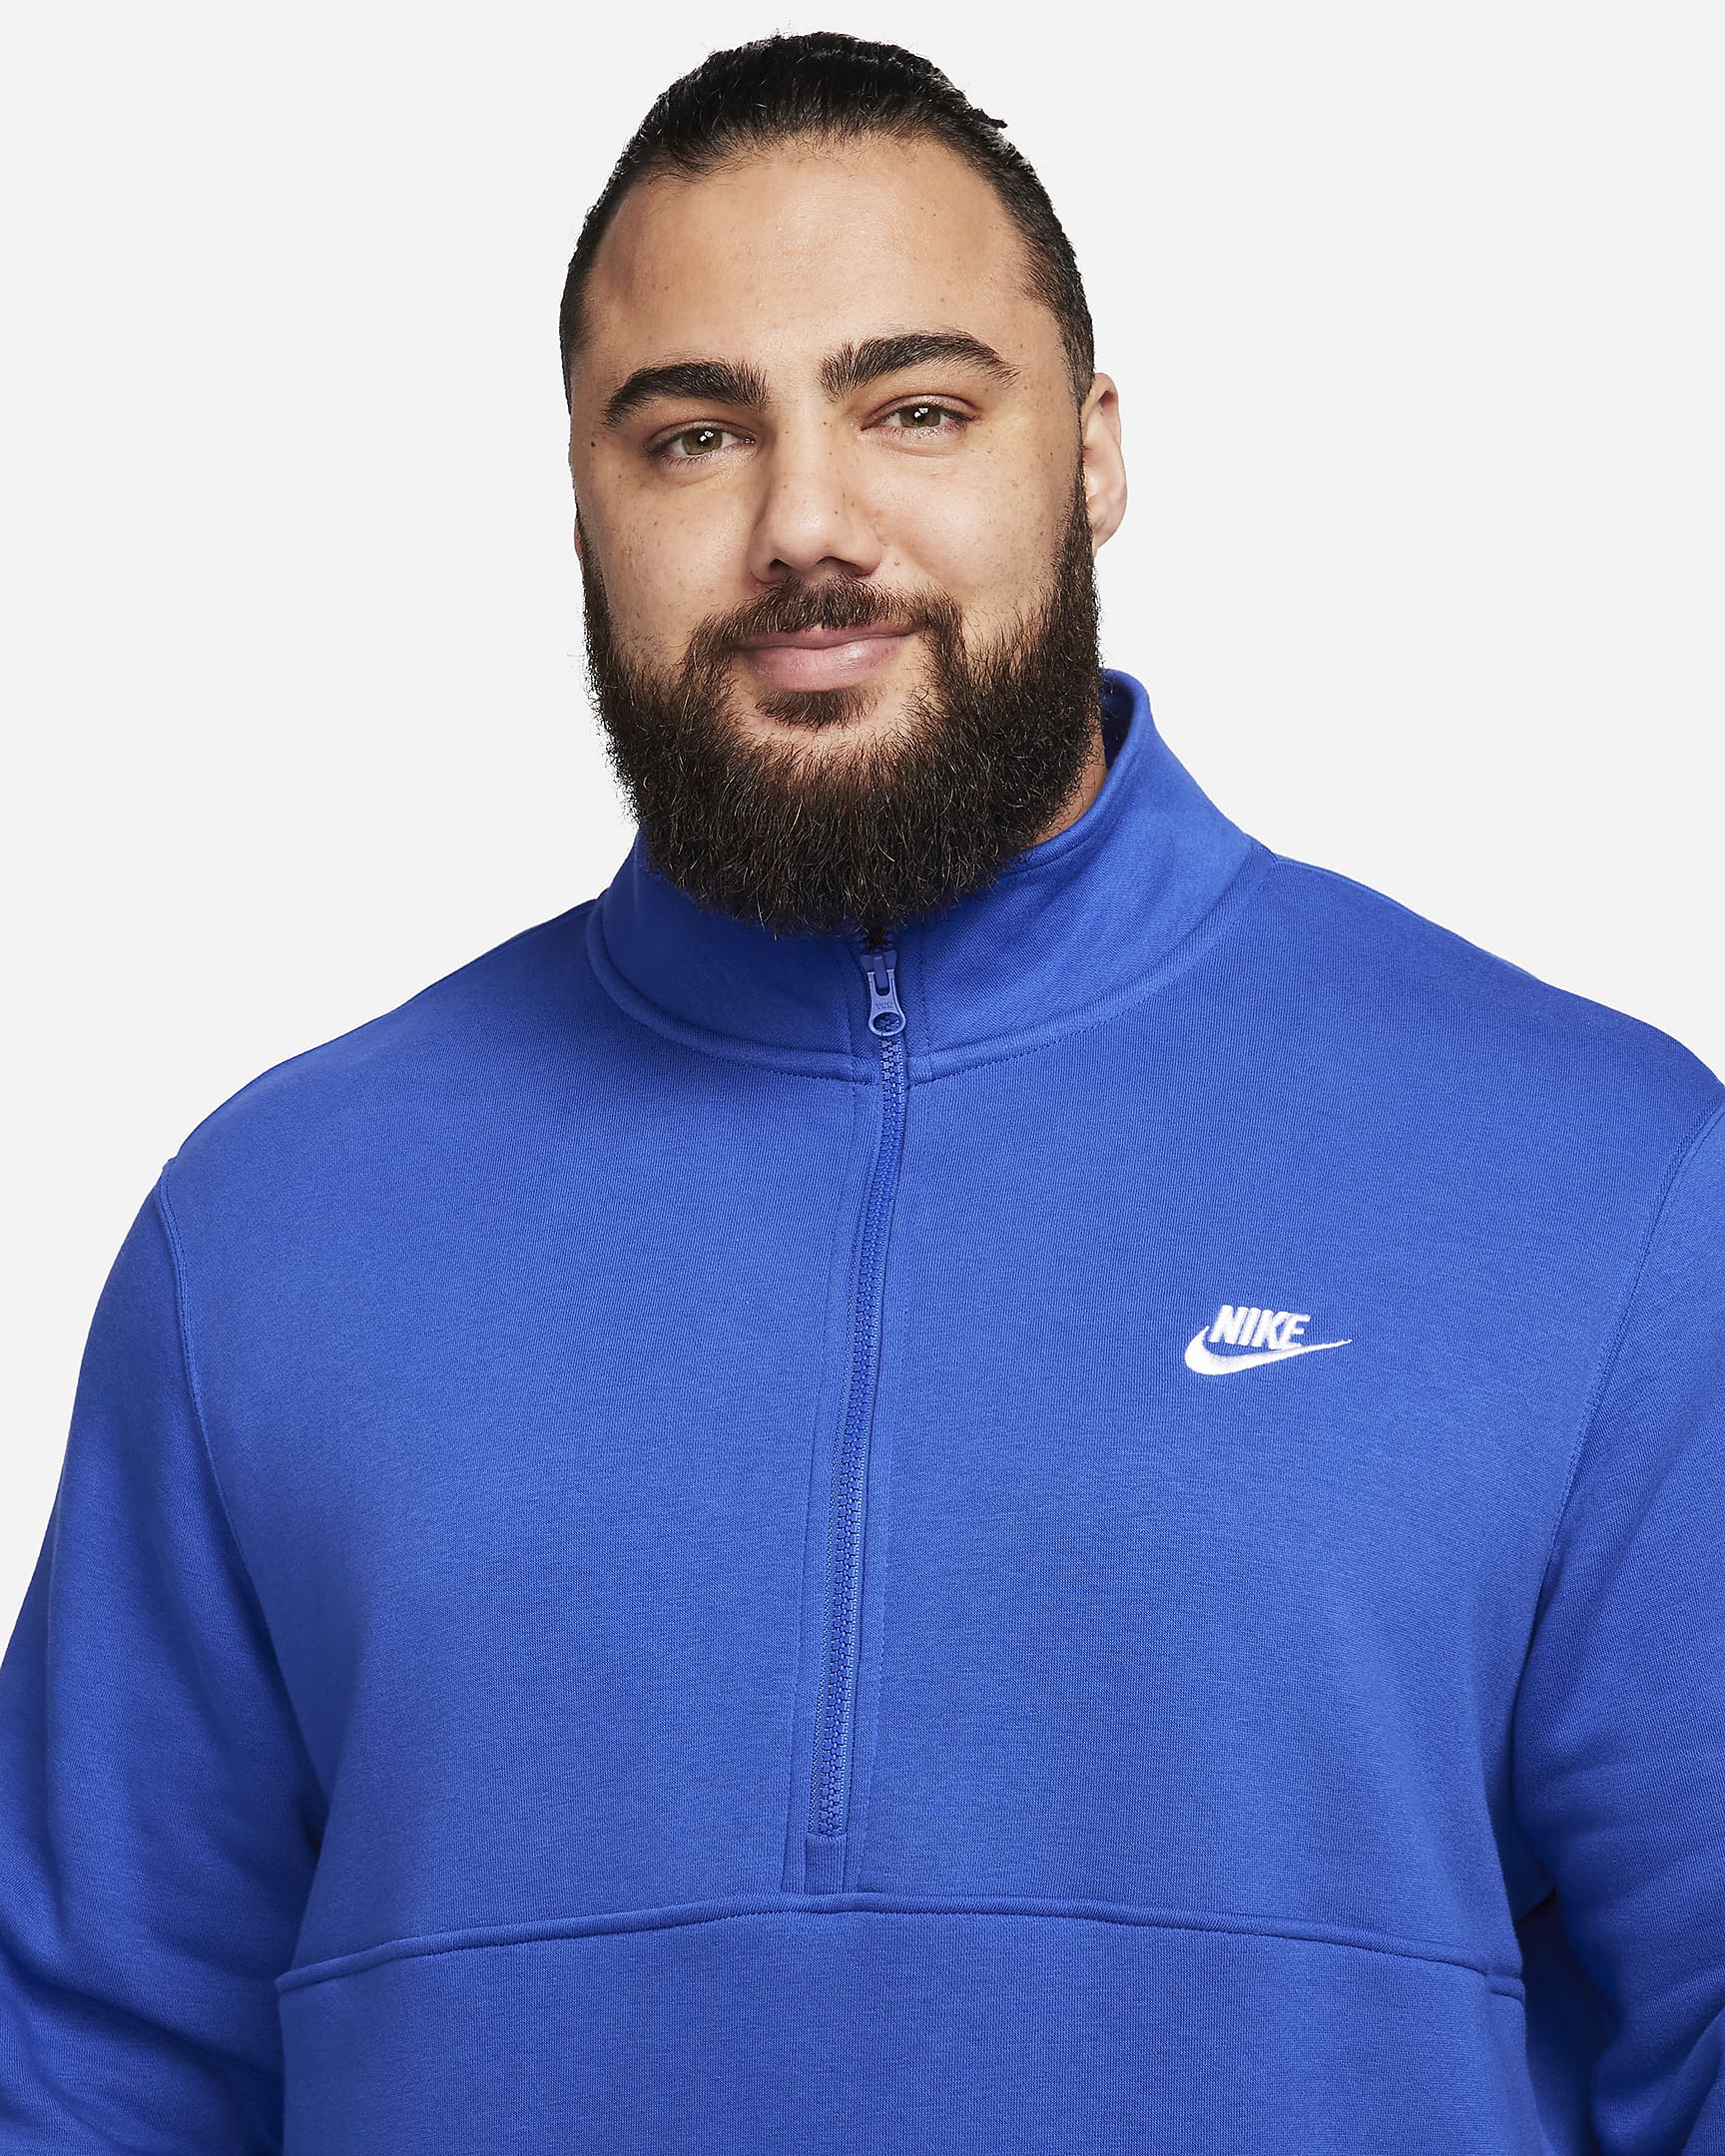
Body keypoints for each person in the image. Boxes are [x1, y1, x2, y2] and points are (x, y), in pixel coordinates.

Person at [1, 28, 1719, 2154]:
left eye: (916, 408)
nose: (806, 526)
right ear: (581, 495)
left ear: (1093, 453)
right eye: (693, 435)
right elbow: (85, 2081)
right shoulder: (269, 1228)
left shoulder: (1601, 1179)